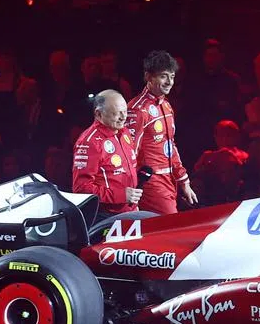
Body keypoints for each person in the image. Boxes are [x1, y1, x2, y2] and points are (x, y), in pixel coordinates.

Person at [127, 51, 198, 214]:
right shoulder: (137, 109)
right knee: (171, 227)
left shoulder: (166, 105)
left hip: (169, 181)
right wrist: (128, 188)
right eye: (163, 76)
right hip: (150, 183)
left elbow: (170, 145)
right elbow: (129, 151)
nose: (169, 82)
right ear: (148, 77)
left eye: (172, 77)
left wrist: (184, 181)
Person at [72, 90, 141, 217]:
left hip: (130, 210)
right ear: (98, 114)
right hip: (106, 215)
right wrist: (121, 195)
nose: (123, 117)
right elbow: (81, 189)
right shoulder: (89, 142)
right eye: (117, 113)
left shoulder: (124, 132)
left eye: (125, 111)